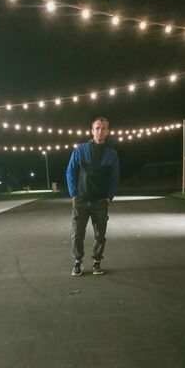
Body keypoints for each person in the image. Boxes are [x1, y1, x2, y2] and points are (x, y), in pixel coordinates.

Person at [66, 117, 120, 276]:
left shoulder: (112, 154)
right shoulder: (80, 149)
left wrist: (110, 196)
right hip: (81, 200)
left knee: (100, 235)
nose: (100, 131)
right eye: (97, 128)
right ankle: (78, 262)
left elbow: (114, 177)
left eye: (103, 128)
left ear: (107, 132)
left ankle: (97, 262)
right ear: (92, 131)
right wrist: (73, 193)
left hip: (100, 201)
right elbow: (70, 171)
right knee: (77, 234)